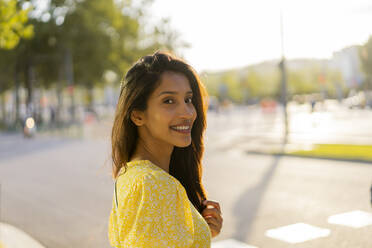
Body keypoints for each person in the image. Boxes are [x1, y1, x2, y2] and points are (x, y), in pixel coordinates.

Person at [108, 51, 223, 247]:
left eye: (188, 100)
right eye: (169, 101)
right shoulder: (151, 184)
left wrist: (200, 231)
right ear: (137, 116)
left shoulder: (130, 175)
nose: (187, 113)